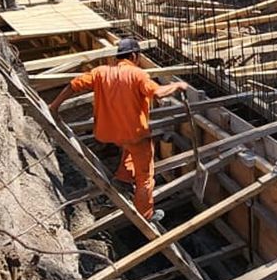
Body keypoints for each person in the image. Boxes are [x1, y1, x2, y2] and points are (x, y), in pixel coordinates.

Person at [49, 38, 190, 223]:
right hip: (133, 134)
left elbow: (73, 85)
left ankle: (123, 178)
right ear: (134, 56)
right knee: (145, 177)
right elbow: (156, 92)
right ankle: (145, 215)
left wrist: (54, 107)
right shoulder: (137, 74)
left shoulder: (100, 72)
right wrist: (177, 85)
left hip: (108, 133)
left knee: (129, 148)